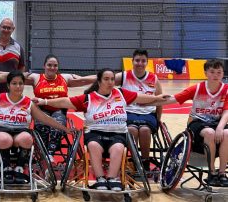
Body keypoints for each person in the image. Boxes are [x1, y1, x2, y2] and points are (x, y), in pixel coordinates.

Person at [32, 68, 168, 191]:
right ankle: (100, 179)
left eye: (112, 79)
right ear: (99, 81)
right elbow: (65, 101)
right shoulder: (88, 98)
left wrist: (156, 98)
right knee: (93, 145)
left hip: (117, 134)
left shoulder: (121, 94)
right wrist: (44, 102)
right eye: (106, 79)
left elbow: (140, 97)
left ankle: (112, 178)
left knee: (119, 147)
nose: (110, 82)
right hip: (95, 134)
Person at [137, 59, 228, 187]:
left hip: (217, 123)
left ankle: (222, 173)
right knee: (209, 133)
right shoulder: (197, 88)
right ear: (206, 73)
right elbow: (172, 99)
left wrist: (220, 127)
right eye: (212, 72)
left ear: (223, 73)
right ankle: (212, 172)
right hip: (198, 123)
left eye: (219, 72)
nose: (216, 75)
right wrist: (147, 102)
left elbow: (226, 112)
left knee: (227, 132)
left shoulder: (226, 89)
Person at [25, 54, 95, 163]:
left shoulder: (65, 77)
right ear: (44, 66)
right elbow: (13, 77)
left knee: (57, 125)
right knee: (42, 127)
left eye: (55, 65)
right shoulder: (36, 77)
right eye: (49, 65)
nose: (52, 68)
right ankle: (42, 153)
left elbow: (83, 80)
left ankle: (50, 155)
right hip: (42, 109)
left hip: (59, 109)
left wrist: (104, 76)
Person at [114, 49, 163, 172]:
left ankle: (145, 161)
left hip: (148, 113)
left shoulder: (153, 78)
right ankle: (135, 160)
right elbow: (105, 82)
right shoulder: (124, 76)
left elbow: (160, 100)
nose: (140, 63)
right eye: (137, 60)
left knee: (145, 130)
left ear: (147, 62)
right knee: (132, 130)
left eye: (143, 61)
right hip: (128, 112)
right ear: (132, 61)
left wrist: (158, 118)